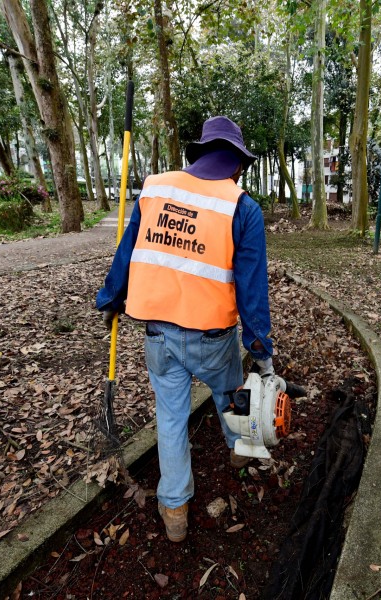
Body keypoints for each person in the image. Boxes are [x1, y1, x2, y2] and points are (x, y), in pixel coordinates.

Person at [95, 116, 274, 543]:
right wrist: (261, 350)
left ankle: (174, 507)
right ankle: (236, 447)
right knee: (230, 393)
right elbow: (252, 290)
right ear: (238, 166)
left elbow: (129, 250)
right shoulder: (242, 208)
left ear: (199, 155)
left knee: (171, 417)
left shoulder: (155, 190)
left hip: (159, 334)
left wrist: (110, 300)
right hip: (213, 338)